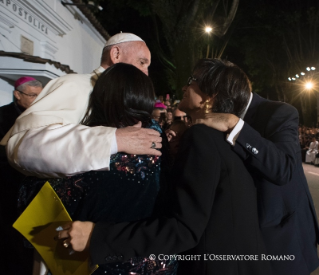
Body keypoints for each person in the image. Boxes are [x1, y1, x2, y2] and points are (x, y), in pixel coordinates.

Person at [58, 59, 272, 275]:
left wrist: (96, 237)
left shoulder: (201, 137)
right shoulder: (225, 138)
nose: (184, 87)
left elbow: (184, 229)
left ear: (211, 96)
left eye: (192, 80)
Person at [20, 63, 177, 275]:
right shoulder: (158, 135)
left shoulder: (104, 162)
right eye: (142, 62)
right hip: (157, 261)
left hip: (108, 264)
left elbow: (49, 203)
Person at [194, 59, 319, 274]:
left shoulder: (279, 112)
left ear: (216, 89)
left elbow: (284, 169)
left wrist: (236, 126)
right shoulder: (212, 119)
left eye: (193, 80)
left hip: (283, 242)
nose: (187, 86)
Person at [0, 33, 161, 178]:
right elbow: (26, 147)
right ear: (116, 54)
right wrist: (112, 140)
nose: (145, 73)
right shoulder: (74, 85)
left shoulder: (125, 96)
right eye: (142, 62)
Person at [0, 76, 42, 275]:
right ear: (17, 94)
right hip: (8, 187)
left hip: (33, 189)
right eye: (32, 95)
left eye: (41, 96)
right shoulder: (2, 115)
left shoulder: (42, 117)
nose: (37, 100)